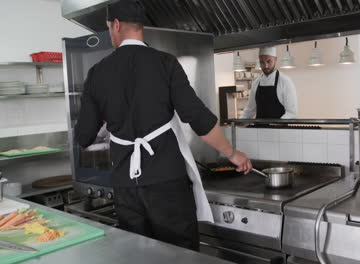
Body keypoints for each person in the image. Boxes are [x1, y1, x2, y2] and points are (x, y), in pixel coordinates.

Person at [74, 0, 252, 252]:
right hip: (167, 182)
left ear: (116, 25)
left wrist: (111, 114)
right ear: (140, 27)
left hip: (126, 186)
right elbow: (198, 117)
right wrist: (232, 154)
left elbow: (83, 136)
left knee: (138, 254)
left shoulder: (97, 73)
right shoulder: (165, 63)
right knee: (179, 255)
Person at [240, 46, 298, 119]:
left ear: (275, 59)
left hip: (278, 129)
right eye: (262, 62)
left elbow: (292, 113)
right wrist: (238, 122)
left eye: (269, 61)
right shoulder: (256, 82)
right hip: (258, 129)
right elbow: (249, 110)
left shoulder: (285, 81)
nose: (265, 66)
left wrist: (276, 124)